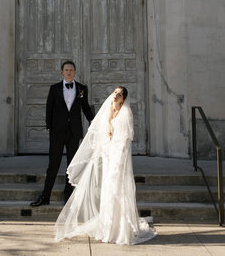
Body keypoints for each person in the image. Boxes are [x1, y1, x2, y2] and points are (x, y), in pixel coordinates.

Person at [55, 86, 157, 245]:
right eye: (115, 92)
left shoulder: (126, 113)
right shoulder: (109, 110)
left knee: (117, 190)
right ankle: (108, 228)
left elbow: (125, 139)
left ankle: (120, 230)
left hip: (119, 157)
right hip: (109, 156)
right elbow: (101, 134)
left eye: (120, 94)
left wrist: (119, 160)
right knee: (108, 191)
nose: (116, 95)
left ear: (124, 99)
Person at [30, 61, 94, 207]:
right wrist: (49, 127)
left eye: (71, 70)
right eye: (66, 70)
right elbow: (49, 108)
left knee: (71, 166)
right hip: (57, 132)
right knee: (53, 165)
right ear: (62, 72)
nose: (69, 72)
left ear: (75, 71)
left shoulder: (82, 89)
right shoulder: (54, 88)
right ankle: (45, 197)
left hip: (74, 132)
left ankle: (68, 198)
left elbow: (85, 108)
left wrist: (94, 121)